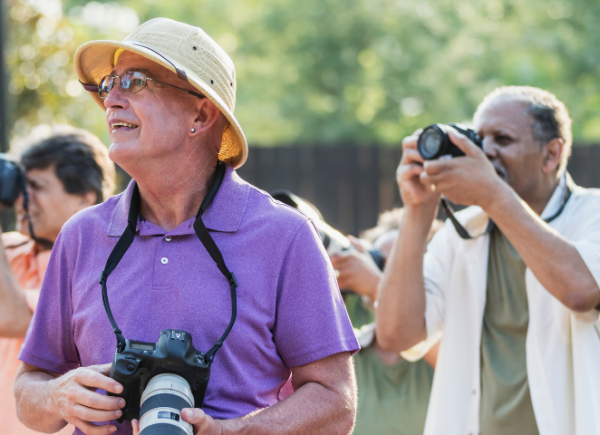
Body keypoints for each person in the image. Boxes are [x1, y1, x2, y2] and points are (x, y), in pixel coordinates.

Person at [14, 18, 359, 435]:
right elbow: (28, 388)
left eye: (136, 81)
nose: (111, 100)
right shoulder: (80, 235)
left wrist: (234, 432)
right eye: (110, 83)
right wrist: (56, 396)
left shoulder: (285, 236)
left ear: (202, 112)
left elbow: (336, 403)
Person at [377, 86, 600, 435]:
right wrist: (418, 210)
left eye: (503, 139)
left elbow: (581, 292)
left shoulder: (593, 213)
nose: (485, 152)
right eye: (478, 139)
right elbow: (396, 336)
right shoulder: (461, 235)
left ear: (551, 155)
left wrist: (493, 195)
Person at [0, 125, 116, 435]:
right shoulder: (10, 250)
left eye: (35, 187)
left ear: (83, 198)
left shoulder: (96, 267)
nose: (23, 200)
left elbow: (13, 319)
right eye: (20, 186)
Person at [331, 209, 441, 435]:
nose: (387, 275)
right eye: (381, 262)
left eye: (402, 269)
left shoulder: (444, 353)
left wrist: (378, 287)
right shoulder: (347, 354)